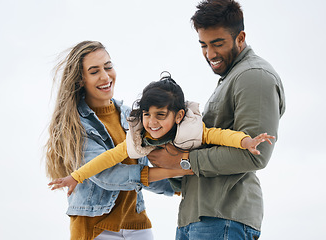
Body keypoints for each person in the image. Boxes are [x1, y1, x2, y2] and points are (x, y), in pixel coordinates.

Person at [147, 1, 286, 240]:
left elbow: (257, 153)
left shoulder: (253, 76)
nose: (210, 54)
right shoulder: (231, 78)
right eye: (203, 45)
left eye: (217, 44)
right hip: (197, 218)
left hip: (223, 220)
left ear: (240, 38)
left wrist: (182, 160)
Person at [45, 41, 185, 240]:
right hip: (95, 227)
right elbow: (107, 175)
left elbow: (145, 172)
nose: (105, 76)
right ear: (80, 80)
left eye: (108, 67)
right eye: (94, 71)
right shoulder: (75, 125)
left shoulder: (132, 116)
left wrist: (182, 184)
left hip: (136, 223)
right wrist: (178, 171)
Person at [49, 73, 275, 196]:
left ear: (178, 116)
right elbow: (108, 158)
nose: (152, 122)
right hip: (177, 182)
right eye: (147, 114)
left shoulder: (190, 129)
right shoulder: (140, 137)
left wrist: (245, 141)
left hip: (202, 170)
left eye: (161, 115)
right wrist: (76, 177)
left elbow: (218, 135)